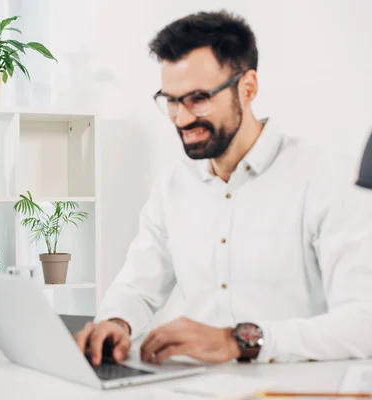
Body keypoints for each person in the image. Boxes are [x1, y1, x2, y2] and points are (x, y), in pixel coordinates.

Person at [75, 10, 372, 365]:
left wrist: (240, 340)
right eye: (171, 100)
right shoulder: (173, 187)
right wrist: (115, 322)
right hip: (193, 386)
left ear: (247, 88)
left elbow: (364, 323)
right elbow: (137, 287)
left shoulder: (327, 178)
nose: (181, 118)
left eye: (198, 98)